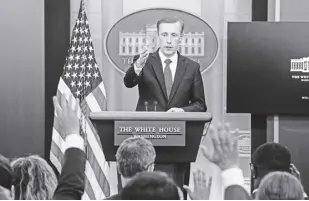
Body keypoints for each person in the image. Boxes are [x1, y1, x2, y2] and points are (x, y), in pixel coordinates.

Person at [124, 16, 206, 112]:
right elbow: (128, 83)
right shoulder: (143, 61)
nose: (169, 40)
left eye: (174, 35)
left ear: (181, 37)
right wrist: (138, 66)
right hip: (148, 125)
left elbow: (200, 105)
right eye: (164, 34)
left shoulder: (192, 68)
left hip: (179, 125)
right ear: (158, 36)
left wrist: (182, 111)